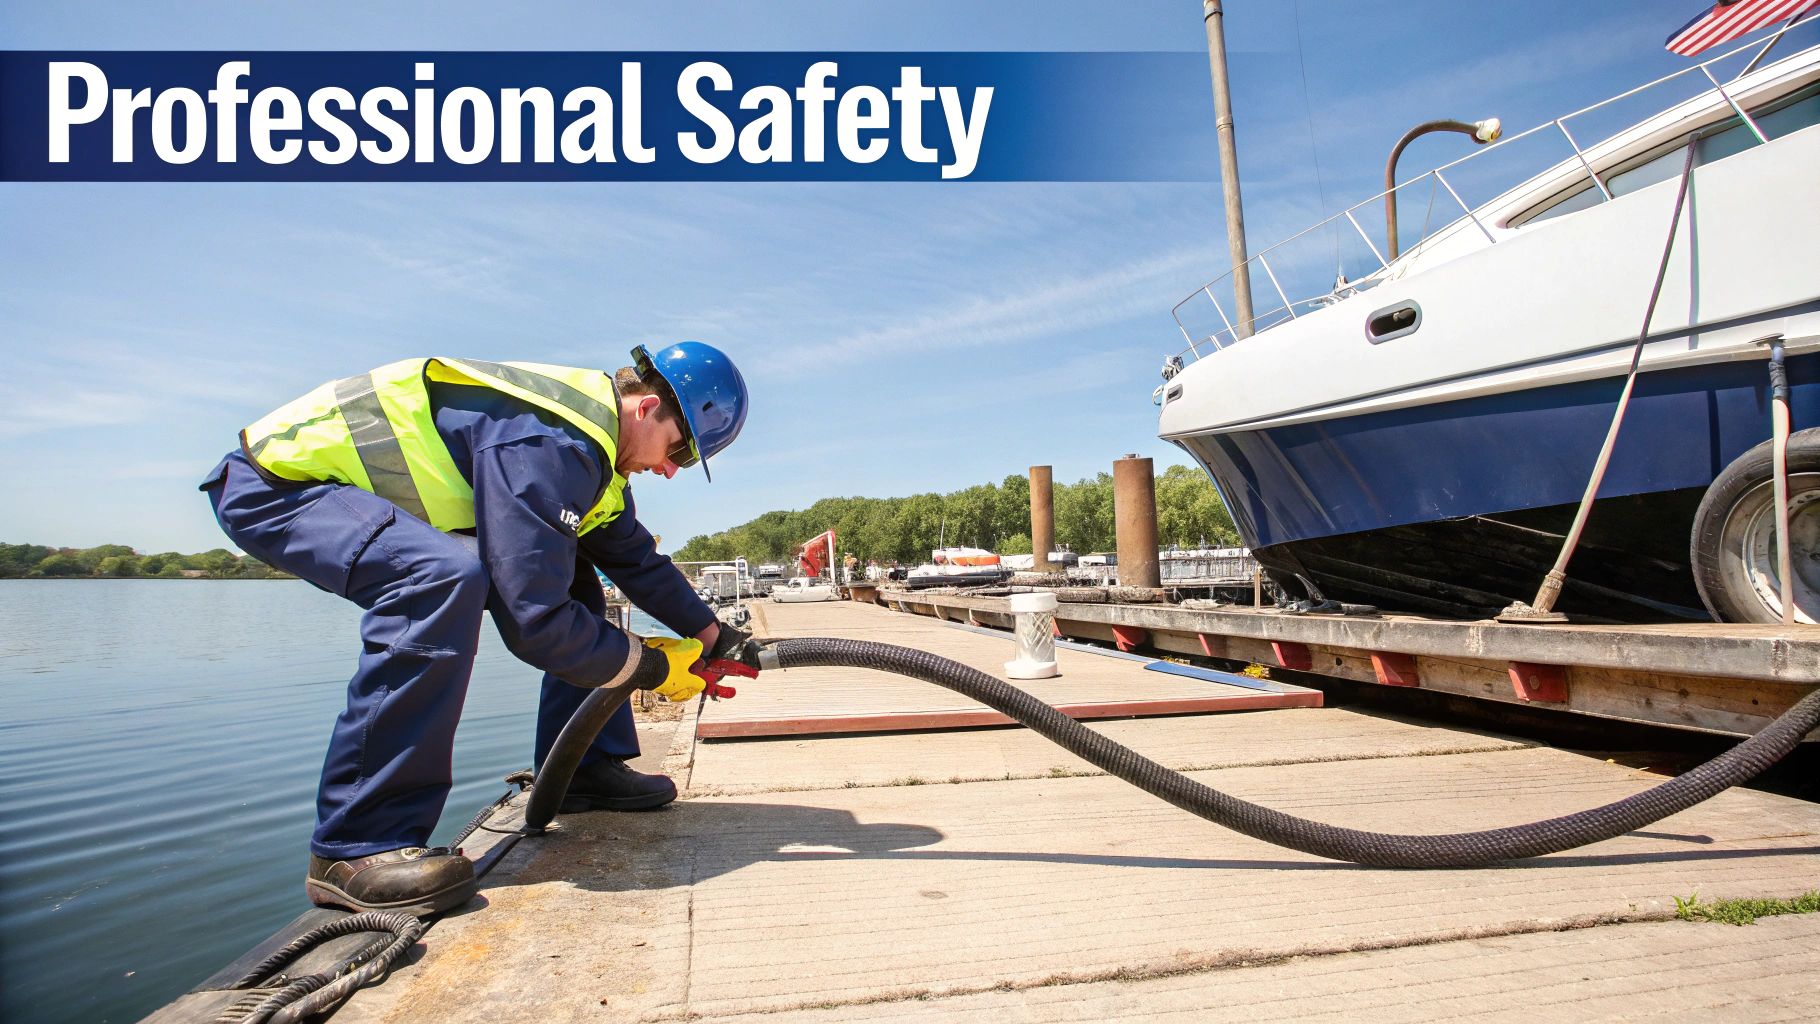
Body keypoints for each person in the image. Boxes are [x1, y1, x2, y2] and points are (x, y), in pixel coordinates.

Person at [200, 343, 756, 916]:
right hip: (277, 486)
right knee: (440, 578)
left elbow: (635, 559)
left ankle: (583, 770)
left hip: (317, 489)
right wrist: (653, 667)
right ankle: (356, 846)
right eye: (680, 450)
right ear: (646, 408)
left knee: (574, 583)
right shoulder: (550, 440)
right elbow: (533, 621)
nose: (670, 469)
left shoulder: (594, 458)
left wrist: (715, 635)